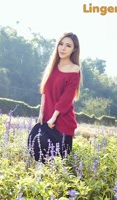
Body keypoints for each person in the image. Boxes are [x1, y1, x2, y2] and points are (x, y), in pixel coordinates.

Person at [28, 32, 82, 163]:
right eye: (61, 44)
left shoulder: (74, 69)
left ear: (74, 49)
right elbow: (45, 91)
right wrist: (41, 113)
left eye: (68, 46)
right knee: (39, 154)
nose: (63, 48)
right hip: (47, 118)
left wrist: (54, 117)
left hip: (61, 121)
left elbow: (66, 98)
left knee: (57, 162)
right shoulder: (52, 67)